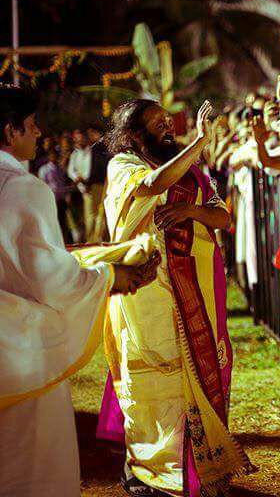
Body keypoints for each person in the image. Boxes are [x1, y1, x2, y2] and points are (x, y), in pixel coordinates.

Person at [0, 86, 152, 496]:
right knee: (32, 466)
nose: (39, 133)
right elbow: (52, 280)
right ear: (9, 132)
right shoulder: (20, 188)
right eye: (31, 125)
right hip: (18, 351)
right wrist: (109, 276)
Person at [101, 99, 252, 496]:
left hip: (194, 292)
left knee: (192, 378)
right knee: (153, 377)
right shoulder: (124, 167)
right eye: (158, 124)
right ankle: (147, 467)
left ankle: (193, 464)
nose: (168, 128)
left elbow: (223, 217)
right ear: (134, 135)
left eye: (169, 121)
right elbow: (151, 187)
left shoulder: (192, 172)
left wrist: (191, 211)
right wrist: (199, 143)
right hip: (145, 291)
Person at [67, 127, 109, 241]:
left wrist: (86, 180)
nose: (79, 140)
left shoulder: (93, 150)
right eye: (77, 138)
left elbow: (91, 170)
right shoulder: (74, 154)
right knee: (90, 216)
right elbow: (71, 171)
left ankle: (99, 239)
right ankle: (92, 240)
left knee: (100, 214)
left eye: (81, 137)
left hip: (96, 185)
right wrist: (81, 184)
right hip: (85, 189)